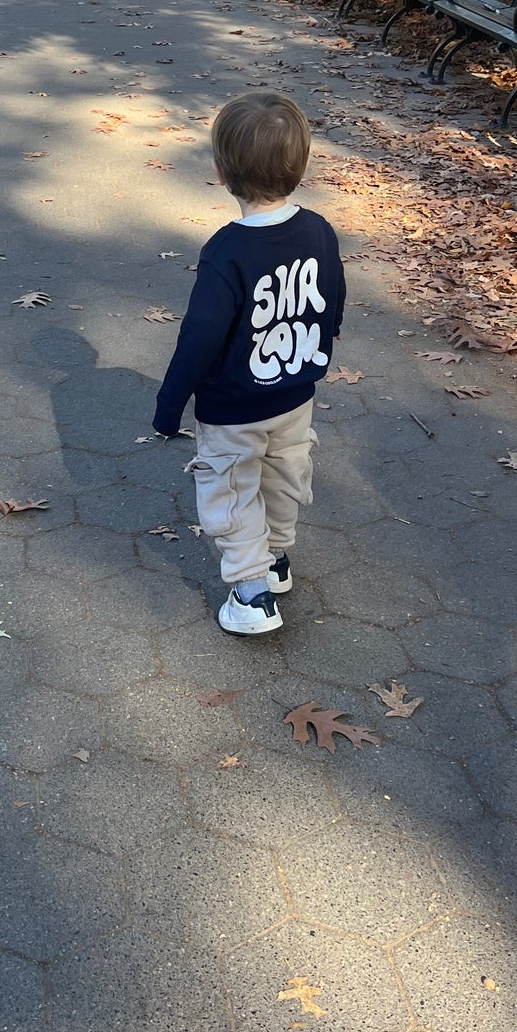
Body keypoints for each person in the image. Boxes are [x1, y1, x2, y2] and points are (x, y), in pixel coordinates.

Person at [152, 91, 346, 637]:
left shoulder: (226, 252)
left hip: (233, 409)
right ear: (301, 165)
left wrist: (170, 408)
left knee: (232, 488)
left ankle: (252, 592)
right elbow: (333, 295)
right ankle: (276, 560)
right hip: (295, 396)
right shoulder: (319, 231)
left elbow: (199, 339)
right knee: (285, 476)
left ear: (220, 172)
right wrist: (320, 346)